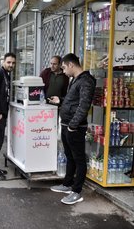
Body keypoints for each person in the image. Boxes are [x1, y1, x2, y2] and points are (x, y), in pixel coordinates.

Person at [48, 53, 96, 205]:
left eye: (63, 67)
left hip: (75, 127)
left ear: (71, 65)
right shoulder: (74, 79)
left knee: (79, 158)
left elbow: (84, 106)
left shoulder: (87, 81)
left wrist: (73, 125)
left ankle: (76, 191)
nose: (63, 71)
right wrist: (60, 100)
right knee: (69, 155)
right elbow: (73, 100)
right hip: (67, 124)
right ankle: (67, 184)